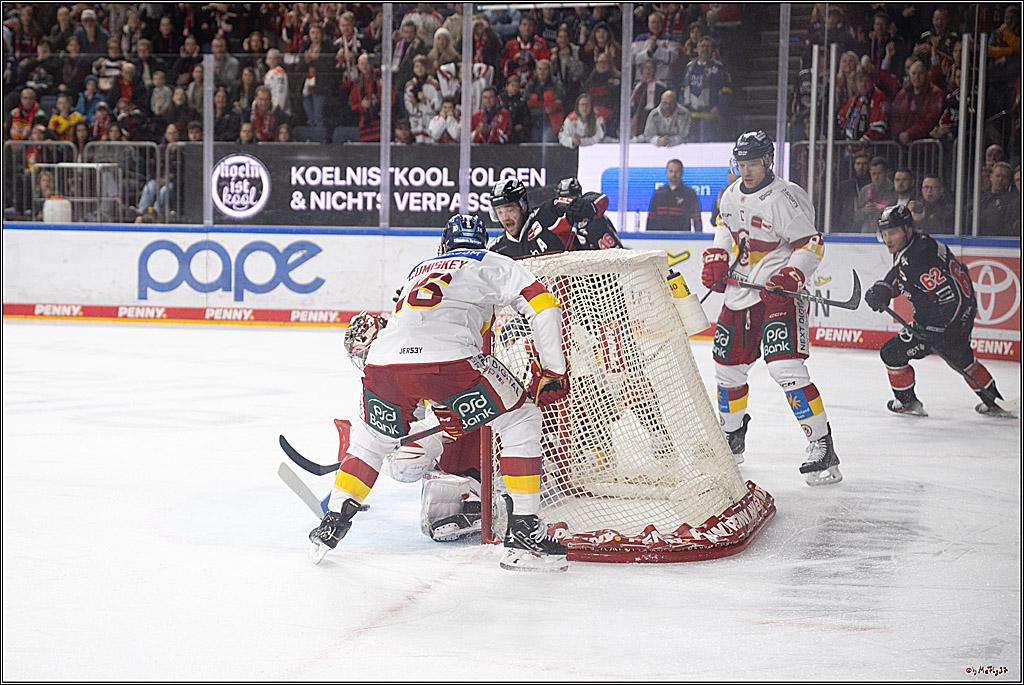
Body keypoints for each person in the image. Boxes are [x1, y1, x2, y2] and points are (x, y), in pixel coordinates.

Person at [308, 214, 571, 572]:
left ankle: (332, 523)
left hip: (384, 365)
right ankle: (524, 532)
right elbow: (544, 305)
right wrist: (554, 369)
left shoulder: (418, 269)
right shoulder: (489, 261)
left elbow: (414, 333)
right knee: (522, 419)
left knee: (371, 442)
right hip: (450, 364)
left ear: (444, 246)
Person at [702, 130, 841, 486]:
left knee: (785, 367)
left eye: (752, 164)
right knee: (727, 368)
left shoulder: (786, 197)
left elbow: (810, 243)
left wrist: (793, 275)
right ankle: (732, 439)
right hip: (741, 291)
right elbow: (724, 228)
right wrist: (717, 256)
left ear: (767, 161)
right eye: (741, 164)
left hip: (779, 293)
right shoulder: (731, 195)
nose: (746, 171)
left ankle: (822, 445)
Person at [865, 206, 1011, 417]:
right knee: (962, 360)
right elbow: (902, 273)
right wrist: (884, 287)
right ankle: (994, 402)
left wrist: (934, 329)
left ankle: (907, 403)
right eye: (885, 233)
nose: (888, 239)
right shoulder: (921, 244)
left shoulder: (917, 259)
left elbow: (951, 297)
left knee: (892, 353)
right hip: (963, 315)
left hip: (945, 320)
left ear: (907, 230)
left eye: (893, 232)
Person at [487, 178, 609, 258]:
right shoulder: (497, 250)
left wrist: (585, 206)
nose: (505, 217)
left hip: (577, 294)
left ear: (523, 205)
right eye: (499, 212)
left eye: (509, 209)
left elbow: (600, 200)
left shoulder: (545, 216)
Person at [679, 37, 732, 141]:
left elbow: (726, 90)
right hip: (690, 116)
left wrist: (719, 107)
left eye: (708, 46)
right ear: (697, 48)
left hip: (709, 116)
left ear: (712, 50)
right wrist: (681, 104)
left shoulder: (719, 68)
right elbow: (683, 87)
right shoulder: (689, 67)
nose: (705, 49)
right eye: (702, 46)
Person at [647, 159, 702, 231]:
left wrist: (697, 238)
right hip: (660, 239)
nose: (673, 174)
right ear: (666, 172)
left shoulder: (690, 194)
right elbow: (651, 219)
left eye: (677, 171)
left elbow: (697, 220)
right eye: (671, 171)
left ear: (682, 173)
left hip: (682, 239)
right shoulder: (658, 194)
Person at [855, 157, 896, 233]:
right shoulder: (865, 190)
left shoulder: (894, 191)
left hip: (887, 234)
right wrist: (864, 211)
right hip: (867, 234)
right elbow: (855, 216)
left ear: (886, 173)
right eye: (873, 174)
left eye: (879, 173)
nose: (876, 177)